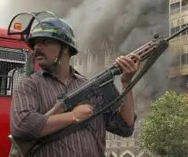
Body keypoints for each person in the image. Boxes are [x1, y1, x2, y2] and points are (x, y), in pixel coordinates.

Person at [9, 16, 139, 157]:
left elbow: (124, 128)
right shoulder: (29, 85)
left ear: (65, 48)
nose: (37, 48)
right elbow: (23, 126)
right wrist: (73, 116)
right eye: (35, 43)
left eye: (45, 42)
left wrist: (127, 83)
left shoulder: (91, 87)